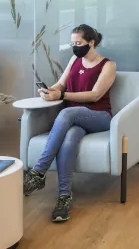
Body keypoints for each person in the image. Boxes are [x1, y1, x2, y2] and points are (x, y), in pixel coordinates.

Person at [23, 24, 116, 223]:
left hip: (98, 116)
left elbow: (95, 95)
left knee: (66, 113)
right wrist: (50, 91)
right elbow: (61, 83)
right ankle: (64, 197)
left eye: (79, 43)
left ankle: (39, 171)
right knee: (70, 138)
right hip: (74, 117)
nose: (75, 47)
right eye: (73, 43)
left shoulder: (108, 65)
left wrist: (63, 95)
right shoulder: (75, 59)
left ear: (91, 43)